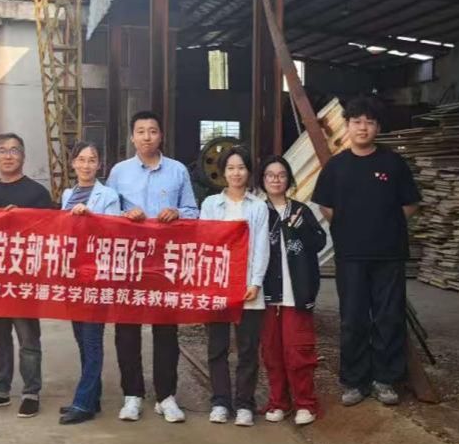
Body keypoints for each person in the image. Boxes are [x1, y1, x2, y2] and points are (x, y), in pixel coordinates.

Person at [312, 95, 420, 407]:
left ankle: (385, 379)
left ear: (378, 128)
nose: (363, 128)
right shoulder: (336, 167)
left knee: (388, 317)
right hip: (351, 256)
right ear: (347, 126)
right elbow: (326, 206)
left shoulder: (393, 164)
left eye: (369, 122)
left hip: (389, 254)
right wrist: (352, 228)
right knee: (353, 319)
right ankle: (354, 381)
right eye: (357, 121)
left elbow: (410, 203)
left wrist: (385, 225)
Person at [105, 110, 199, 423]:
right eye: (141, 131)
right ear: (132, 137)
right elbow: (107, 214)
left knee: (166, 329)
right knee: (127, 329)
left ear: (161, 136)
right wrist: (123, 216)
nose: (147, 136)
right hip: (129, 262)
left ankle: (165, 396)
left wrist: (178, 213)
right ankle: (132, 395)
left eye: (153, 131)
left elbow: (193, 211)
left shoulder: (177, 171)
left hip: (165, 262)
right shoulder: (119, 172)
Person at [0, 132, 56, 418]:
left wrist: (24, 218)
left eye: (14, 150)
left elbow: (51, 232)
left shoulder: (37, 193)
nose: (8, 156)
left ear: (23, 156)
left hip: (24, 279)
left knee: (28, 340)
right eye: (2, 150)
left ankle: (31, 392)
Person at [199, 146, 270, 427]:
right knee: (217, 347)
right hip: (218, 285)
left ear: (249, 172)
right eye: (230, 168)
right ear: (223, 172)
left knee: (248, 349)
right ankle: (220, 402)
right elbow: (205, 243)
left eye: (241, 168)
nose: (236, 173)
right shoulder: (210, 205)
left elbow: (261, 247)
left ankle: (244, 404)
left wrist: (256, 282)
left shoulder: (258, 207)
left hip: (248, 287)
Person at [57, 140, 122, 426]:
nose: (86, 165)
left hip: (96, 276)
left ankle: (82, 403)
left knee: (93, 340)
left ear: (99, 164)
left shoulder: (108, 195)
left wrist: (90, 218)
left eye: (92, 160)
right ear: (73, 163)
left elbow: (114, 230)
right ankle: (91, 397)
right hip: (73, 275)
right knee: (81, 339)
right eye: (81, 160)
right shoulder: (67, 194)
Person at [259, 156, 327, 426]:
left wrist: (302, 231)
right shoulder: (257, 211)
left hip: (296, 293)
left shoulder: (301, 210)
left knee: (298, 351)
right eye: (270, 174)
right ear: (262, 180)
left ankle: (305, 403)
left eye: (281, 175)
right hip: (265, 295)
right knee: (271, 351)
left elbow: (319, 242)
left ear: (288, 179)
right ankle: (279, 401)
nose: (276, 179)